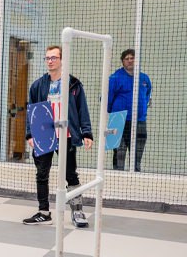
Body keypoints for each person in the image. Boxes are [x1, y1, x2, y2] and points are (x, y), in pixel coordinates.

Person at [23, 45, 93, 228]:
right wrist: (30, 134)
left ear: (62, 60)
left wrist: (86, 132)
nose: (50, 61)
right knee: (42, 174)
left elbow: (82, 110)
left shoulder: (73, 84)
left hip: (66, 136)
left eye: (54, 58)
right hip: (44, 135)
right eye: (47, 58)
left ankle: (77, 212)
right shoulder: (38, 85)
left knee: (70, 174)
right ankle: (44, 212)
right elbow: (32, 112)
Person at [107, 49, 151, 172]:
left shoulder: (144, 78)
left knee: (137, 153)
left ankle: (136, 176)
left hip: (139, 120)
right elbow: (107, 98)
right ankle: (117, 177)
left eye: (132, 58)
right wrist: (113, 113)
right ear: (123, 61)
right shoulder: (115, 78)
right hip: (118, 120)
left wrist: (143, 110)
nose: (130, 60)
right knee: (118, 152)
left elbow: (147, 95)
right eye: (127, 58)